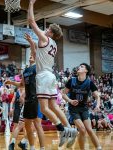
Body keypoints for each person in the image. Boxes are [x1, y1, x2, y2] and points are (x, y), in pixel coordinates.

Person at [28, 0, 77, 147]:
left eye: (47, 28)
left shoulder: (45, 38)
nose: (45, 29)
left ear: (51, 32)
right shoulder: (53, 44)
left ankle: (62, 130)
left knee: (44, 108)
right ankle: (69, 129)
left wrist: (31, 4)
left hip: (43, 76)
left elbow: (31, 21)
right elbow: (37, 55)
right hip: (51, 75)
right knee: (54, 106)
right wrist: (32, 43)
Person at [6, 33, 45, 150]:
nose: (31, 57)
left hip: (37, 99)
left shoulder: (38, 67)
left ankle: (42, 148)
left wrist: (31, 42)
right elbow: (21, 84)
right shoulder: (26, 70)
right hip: (28, 100)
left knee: (37, 125)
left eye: (32, 56)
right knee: (27, 126)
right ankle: (30, 146)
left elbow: (34, 51)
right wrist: (11, 82)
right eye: (30, 57)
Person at [62, 63, 102, 149]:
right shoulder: (71, 80)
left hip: (84, 109)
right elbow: (63, 94)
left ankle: (99, 148)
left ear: (86, 71)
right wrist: (70, 101)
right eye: (79, 66)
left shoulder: (89, 82)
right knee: (82, 130)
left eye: (82, 66)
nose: (79, 67)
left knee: (90, 130)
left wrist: (97, 105)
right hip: (73, 109)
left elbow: (97, 96)